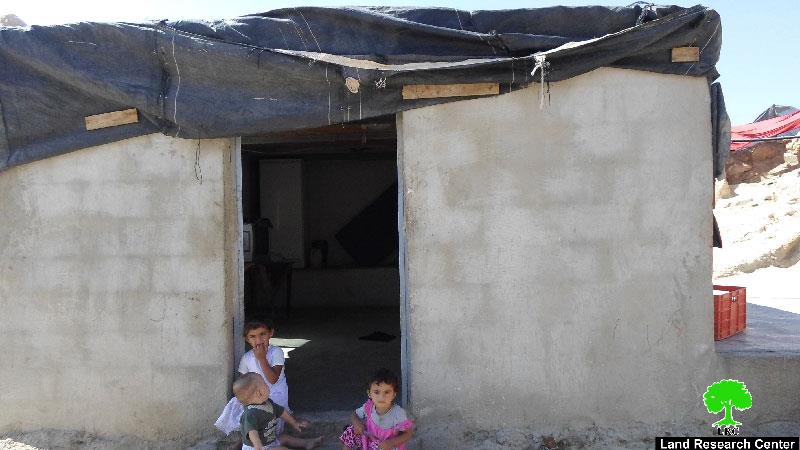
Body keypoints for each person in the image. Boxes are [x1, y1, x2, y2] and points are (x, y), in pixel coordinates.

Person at [216, 319, 310, 448]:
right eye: (252, 336)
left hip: (274, 395)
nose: (258, 340)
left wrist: (261, 359)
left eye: (262, 334)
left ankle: (263, 443)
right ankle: (245, 441)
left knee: (269, 416)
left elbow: (273, 379)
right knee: (242, 409)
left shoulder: (276, 352)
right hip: (255, 397)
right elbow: (244, 382)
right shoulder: (246, 358)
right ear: (246, 339)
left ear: (271, 333)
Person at [234, 372, 322, 450]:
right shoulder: (250, 414)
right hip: (258, 447)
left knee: (285, 438)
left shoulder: (267, 403)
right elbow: (251, 431)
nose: (267, 385)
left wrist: (294, 423)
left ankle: (306, 443)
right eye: (264, 384)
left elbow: (282, 412)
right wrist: (257, 444)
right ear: (259, 393)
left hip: (269, 442)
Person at [339, 368, 413, 450]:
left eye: (387, 392)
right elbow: (354, 414)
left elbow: (408, 433)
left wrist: (391, 443)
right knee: (352, 430)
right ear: (369, 393)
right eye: (377, 392)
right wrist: (357, 423)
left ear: (394, 395)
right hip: (370, 442)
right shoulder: (369, 407)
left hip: (387, 446)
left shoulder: (398, 413)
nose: (381, 397)